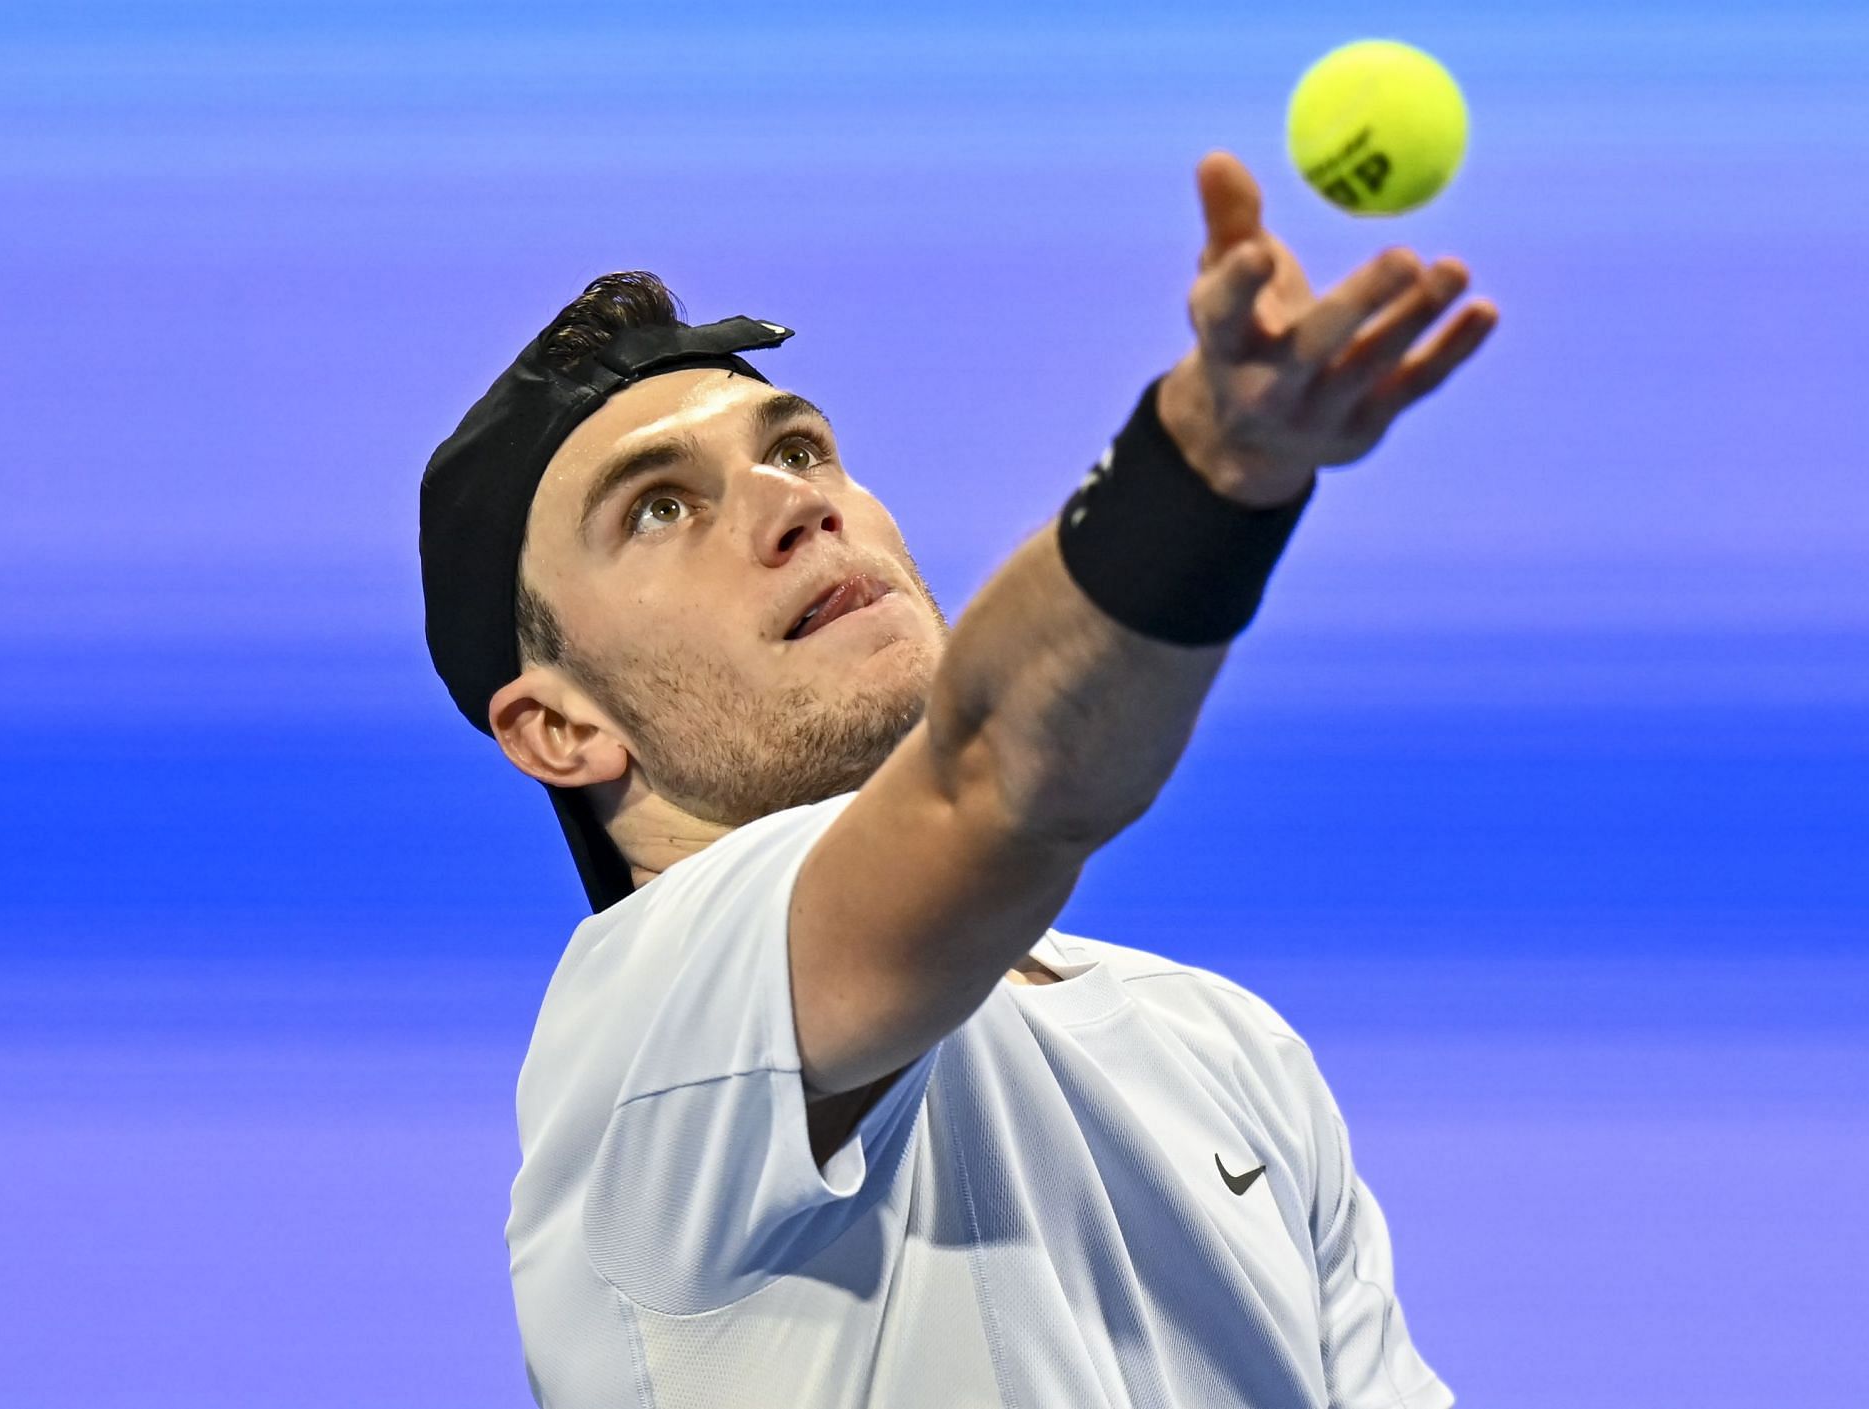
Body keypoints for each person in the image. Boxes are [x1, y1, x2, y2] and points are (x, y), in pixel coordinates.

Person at [418, 150, 1498, 1408]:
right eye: (657, 508)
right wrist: (1205, 468)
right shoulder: (650, 1029)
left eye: (802, 449)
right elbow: (995, 776)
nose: (791, 505)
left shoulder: (1226, 1044)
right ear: (560, 729)